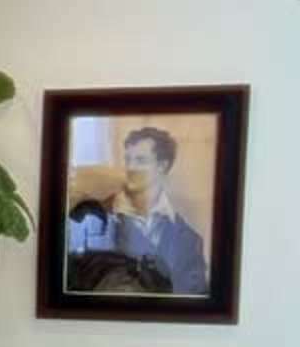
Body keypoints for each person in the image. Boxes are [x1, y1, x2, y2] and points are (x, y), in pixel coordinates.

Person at [67, 126, 209, 295]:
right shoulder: (90, 216)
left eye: (141, 160)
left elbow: (193, 302)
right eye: (128, 159)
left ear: (162, 166)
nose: (131, 167)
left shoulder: (189, 240)